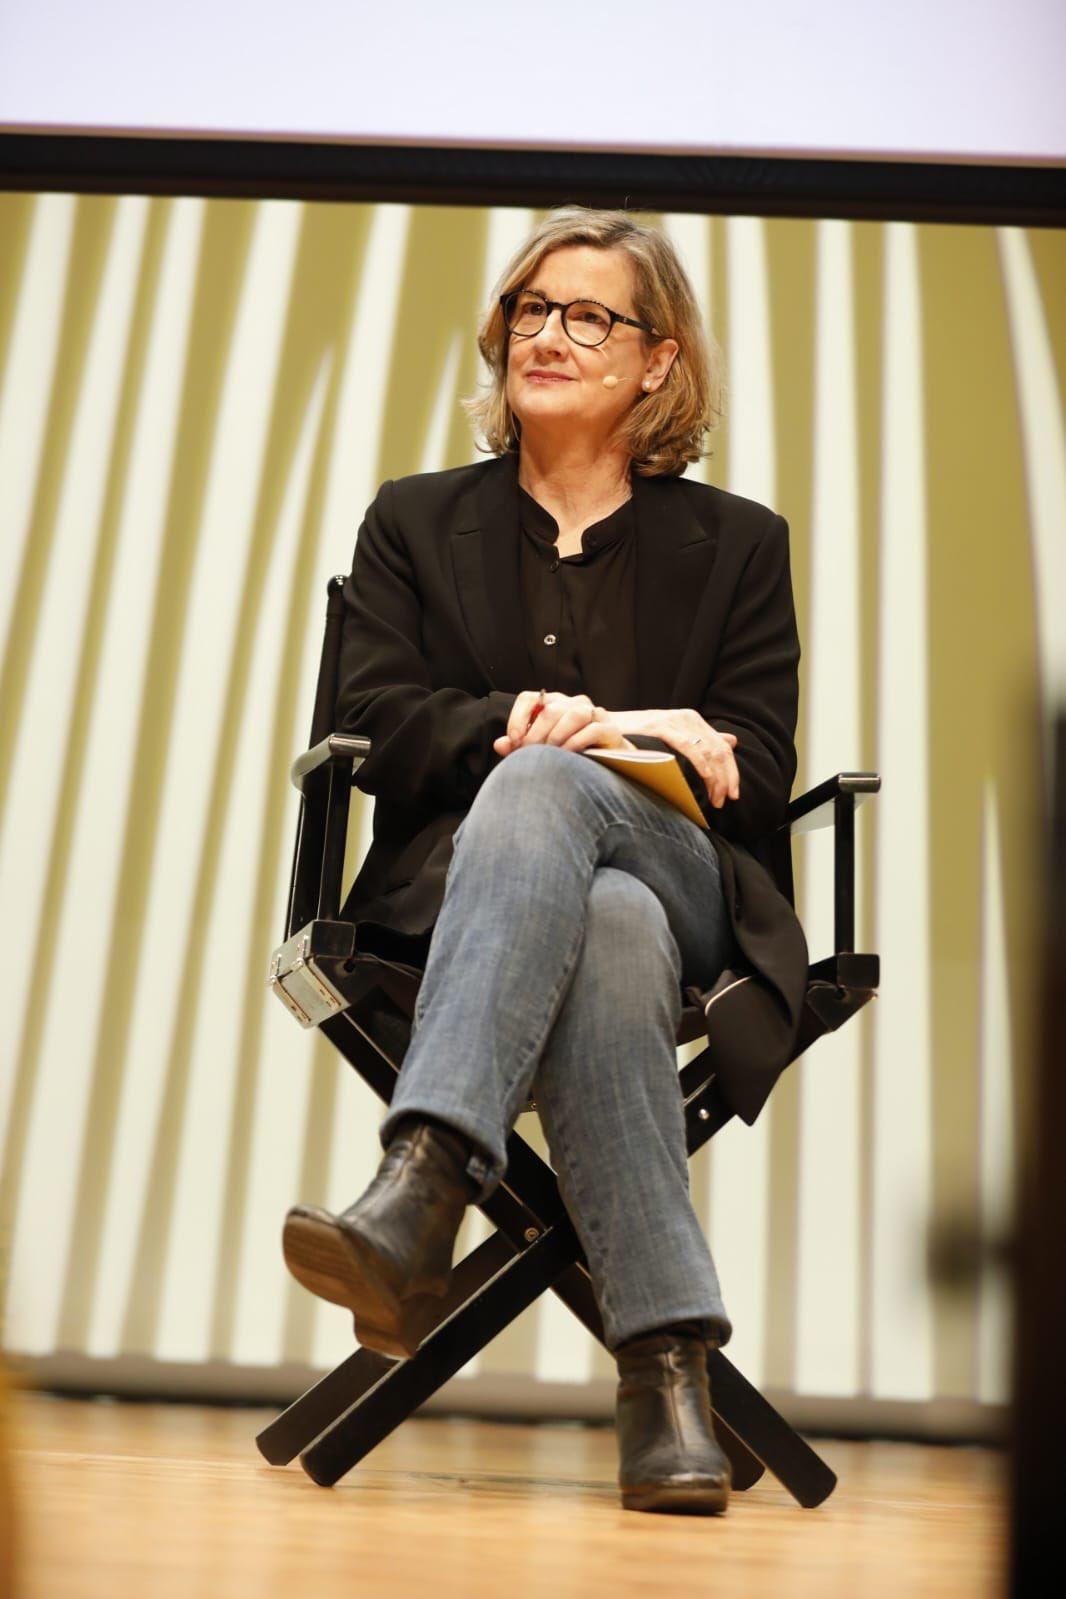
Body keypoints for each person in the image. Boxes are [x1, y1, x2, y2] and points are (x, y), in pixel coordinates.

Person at [282, 205, 807, 1516]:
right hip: (470, 893)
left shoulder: (739, 543)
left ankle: (424, 1181)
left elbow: (756, 764)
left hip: (688, 872)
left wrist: (622, 741)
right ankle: (666, 1373)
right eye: (529, 308)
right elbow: (376, 720)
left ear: (657, 361)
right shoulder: (414, 521)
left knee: (575, 815)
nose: (546, 336)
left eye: (588, 316)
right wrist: (533, 724)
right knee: (606, 925)